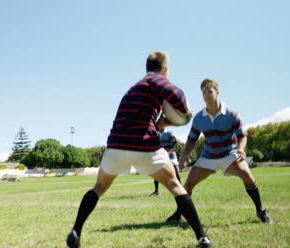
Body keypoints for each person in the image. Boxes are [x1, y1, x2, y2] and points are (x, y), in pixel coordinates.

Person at [66, 51, 212, 248]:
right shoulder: (157, 80)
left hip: (116, 144)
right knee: (176, 186)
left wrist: (163, 122)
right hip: (144, 143)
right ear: (165, 69)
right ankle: (202, 237)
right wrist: (182, 116)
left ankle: (75, 231)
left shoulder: (135, 87)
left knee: (98, 188)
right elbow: (180, 99)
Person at [165, 78, 273, 224]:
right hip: (208, 157)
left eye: (210, 91)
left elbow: (242, 136)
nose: (206, 95)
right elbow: (191, 139)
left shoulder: (231, 113)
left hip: (229, 154)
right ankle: (179, 213)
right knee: (188, 183)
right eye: (204, 92)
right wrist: (184, 156)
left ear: (217, 92)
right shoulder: (198, 118)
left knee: (246, 174)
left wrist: (241, 149)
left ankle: (261, 211)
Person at [150, 128, 181, 196]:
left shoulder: (169, 132)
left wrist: (169, 152)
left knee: (175, 169)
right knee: (156, 171)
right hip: (162, 155)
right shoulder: (157, 134)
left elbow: (175, 144)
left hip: (171, 154)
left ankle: (181, 190)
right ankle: (156, 191)